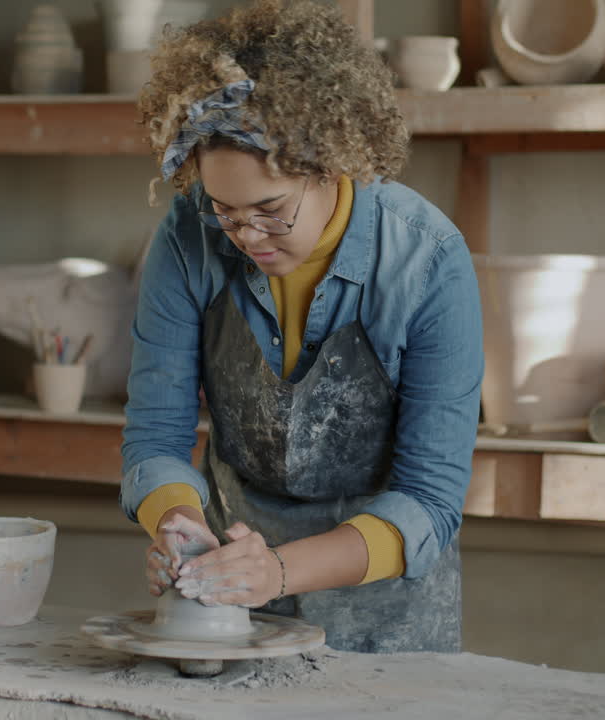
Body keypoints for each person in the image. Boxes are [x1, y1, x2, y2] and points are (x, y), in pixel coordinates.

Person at [119, 0, 483, 654]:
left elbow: (430, 499)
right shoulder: (189, 236)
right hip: (229, 593)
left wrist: (280, 569)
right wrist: (178, 527)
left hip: (385, 614)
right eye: (226, 210)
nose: (247, 234)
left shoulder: (427, 260)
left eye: (270, 210)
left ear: (331, 164)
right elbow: (156, 434)